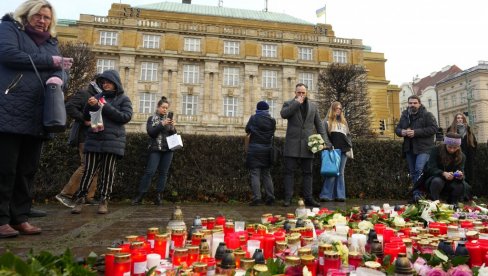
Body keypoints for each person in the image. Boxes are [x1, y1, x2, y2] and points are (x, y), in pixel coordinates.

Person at [0, 0, 73, 238]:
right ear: (27, 14)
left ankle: (20, 217)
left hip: (38, 112)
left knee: (26, 170)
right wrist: (51, 63)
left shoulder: (52, 42)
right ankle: (1, 219)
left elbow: (60, 67)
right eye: (38, 16)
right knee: (5, 169)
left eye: (47, 17)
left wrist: (59, 77)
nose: (42, 21)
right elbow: (8, 55)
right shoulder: (10, 29)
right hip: (9, 109)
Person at [71, 69, 132, 215]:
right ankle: (80, 199)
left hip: (113, 140)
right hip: (94, 138)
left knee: (108, 172)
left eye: (108, 82)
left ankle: (104, 200)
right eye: (103, 82)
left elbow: (125, 117)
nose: (105, 85)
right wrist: (89, 105)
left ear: (115, 83)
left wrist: (103, 106)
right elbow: (86, 116)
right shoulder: (97, 96)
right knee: (88, 171)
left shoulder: (124, 99)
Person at [280, 83, 331, 207]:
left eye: (303, 92)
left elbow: (319, 125)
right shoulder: (289, 104)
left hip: (308, 146)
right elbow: (284, 114)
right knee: (289, 173)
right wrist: (296, 103)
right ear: (295, 92)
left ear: (306, 93)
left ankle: (308, 198)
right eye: (299, 92)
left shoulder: (313, 107)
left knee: (308, 173)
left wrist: (325, 142)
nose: (301, 95)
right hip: (292, 145)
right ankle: (288, 198)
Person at [55, 80, 101, 208]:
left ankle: (88, 197)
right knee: (86, 165)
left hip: (95, 137)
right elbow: (69, 106)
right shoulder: (85, 93)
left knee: (95, 168)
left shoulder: (101, 98)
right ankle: (65, 194)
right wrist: (84, 119)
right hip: (84, 137)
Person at [132, 96, 176, 206]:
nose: (164, 110)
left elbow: (173, 136)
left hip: (168, 150)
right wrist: (162, 124)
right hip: (155, 149)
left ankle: (159, 196)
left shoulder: (168, 121)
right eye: (163, 107)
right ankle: (140, 196)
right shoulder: (151, 119)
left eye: (166, 108)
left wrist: (173, 127)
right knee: (149, 172)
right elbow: (151, 133)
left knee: (163, 173)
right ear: (158, 107)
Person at [395, 95, 438, 184]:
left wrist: (415, 132)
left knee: (419, 169)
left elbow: (434, 128)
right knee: (413, 172)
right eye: (410, 103)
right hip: (409, 148)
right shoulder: (404, 115)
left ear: (419, 104)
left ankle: (419, 192)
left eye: (415, 103)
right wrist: (401, 132)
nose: (412, 105)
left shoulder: (427, 115)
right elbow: (397, 129)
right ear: (408, 104)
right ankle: (416, 192)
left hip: (424, 148)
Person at [245, 101, 277, 206]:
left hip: (254, 149)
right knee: (266, 174)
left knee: (255, 174)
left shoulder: (253, 118)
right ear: (267, 110)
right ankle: (270, 197)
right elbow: (272, 133)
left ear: (257, 109)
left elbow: (247, 130)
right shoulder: (272, 121)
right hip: (267, 150)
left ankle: (257, 198)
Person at [319, 102, 352, 202]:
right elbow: (323, 135)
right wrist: (329, 145)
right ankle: (326, 195)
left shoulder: (344, 122)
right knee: (332, 172)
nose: (339, 110)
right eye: (336, 108)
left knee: (340, 173)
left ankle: (340, 195)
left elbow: (348, 135)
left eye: (340, 109)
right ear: (332, 109)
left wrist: (349, 144)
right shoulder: (327, 122)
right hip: (332, 150)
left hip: (343, 150)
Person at [423, 132, 467, 204]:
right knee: (437, 182)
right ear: (445, 144)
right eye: (449, 147)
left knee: (461, 185)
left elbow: (461, 170)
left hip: (452, 179)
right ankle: (435, 203)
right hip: (436, 176)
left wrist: (460, 176)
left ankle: (453, 204)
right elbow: (430, 168)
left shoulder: (462, 156)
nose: (452, 150)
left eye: (455, 147)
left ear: (459, 146)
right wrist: (443, 173)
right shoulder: (436, 150)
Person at [446, 113, 477, 187]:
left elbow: (474, 143)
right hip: (455, 155)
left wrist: (473, 154)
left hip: (469, 156)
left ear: (464, 119)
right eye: (458, 118)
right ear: (455, 120)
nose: (460, 119)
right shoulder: (450, 129)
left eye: (461, 118)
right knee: (457, 173)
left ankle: (468, 192)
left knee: (469, 173)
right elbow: (446, 143)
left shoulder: (468, 129)